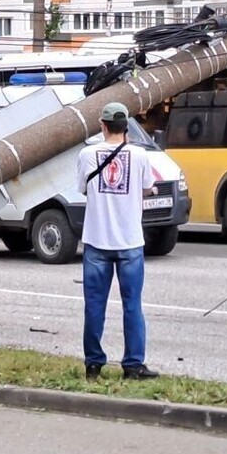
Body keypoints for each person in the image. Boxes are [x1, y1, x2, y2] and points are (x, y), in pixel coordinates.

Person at [76, 102, 158, 381]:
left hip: (97, 240)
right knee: (133, 304)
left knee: (94, 305)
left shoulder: (87, 154)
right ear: (126, 128)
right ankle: (133, 366)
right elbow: (147, 188)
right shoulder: (140, 155)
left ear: (102, 125)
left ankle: (93, 365)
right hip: (130, 241)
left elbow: (83, 188)